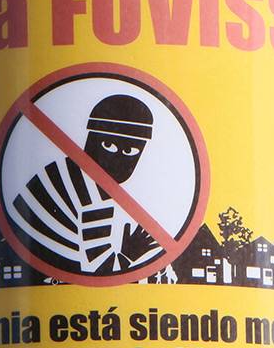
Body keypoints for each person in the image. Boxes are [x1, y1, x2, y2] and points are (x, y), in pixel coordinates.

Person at [9, 93, 162, 275]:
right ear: (91, 139)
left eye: (129, 150)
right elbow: (99, 271)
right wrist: (130, 254)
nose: (117, 158)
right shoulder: (90, 193)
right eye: (108, 145)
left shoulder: (62, 170)